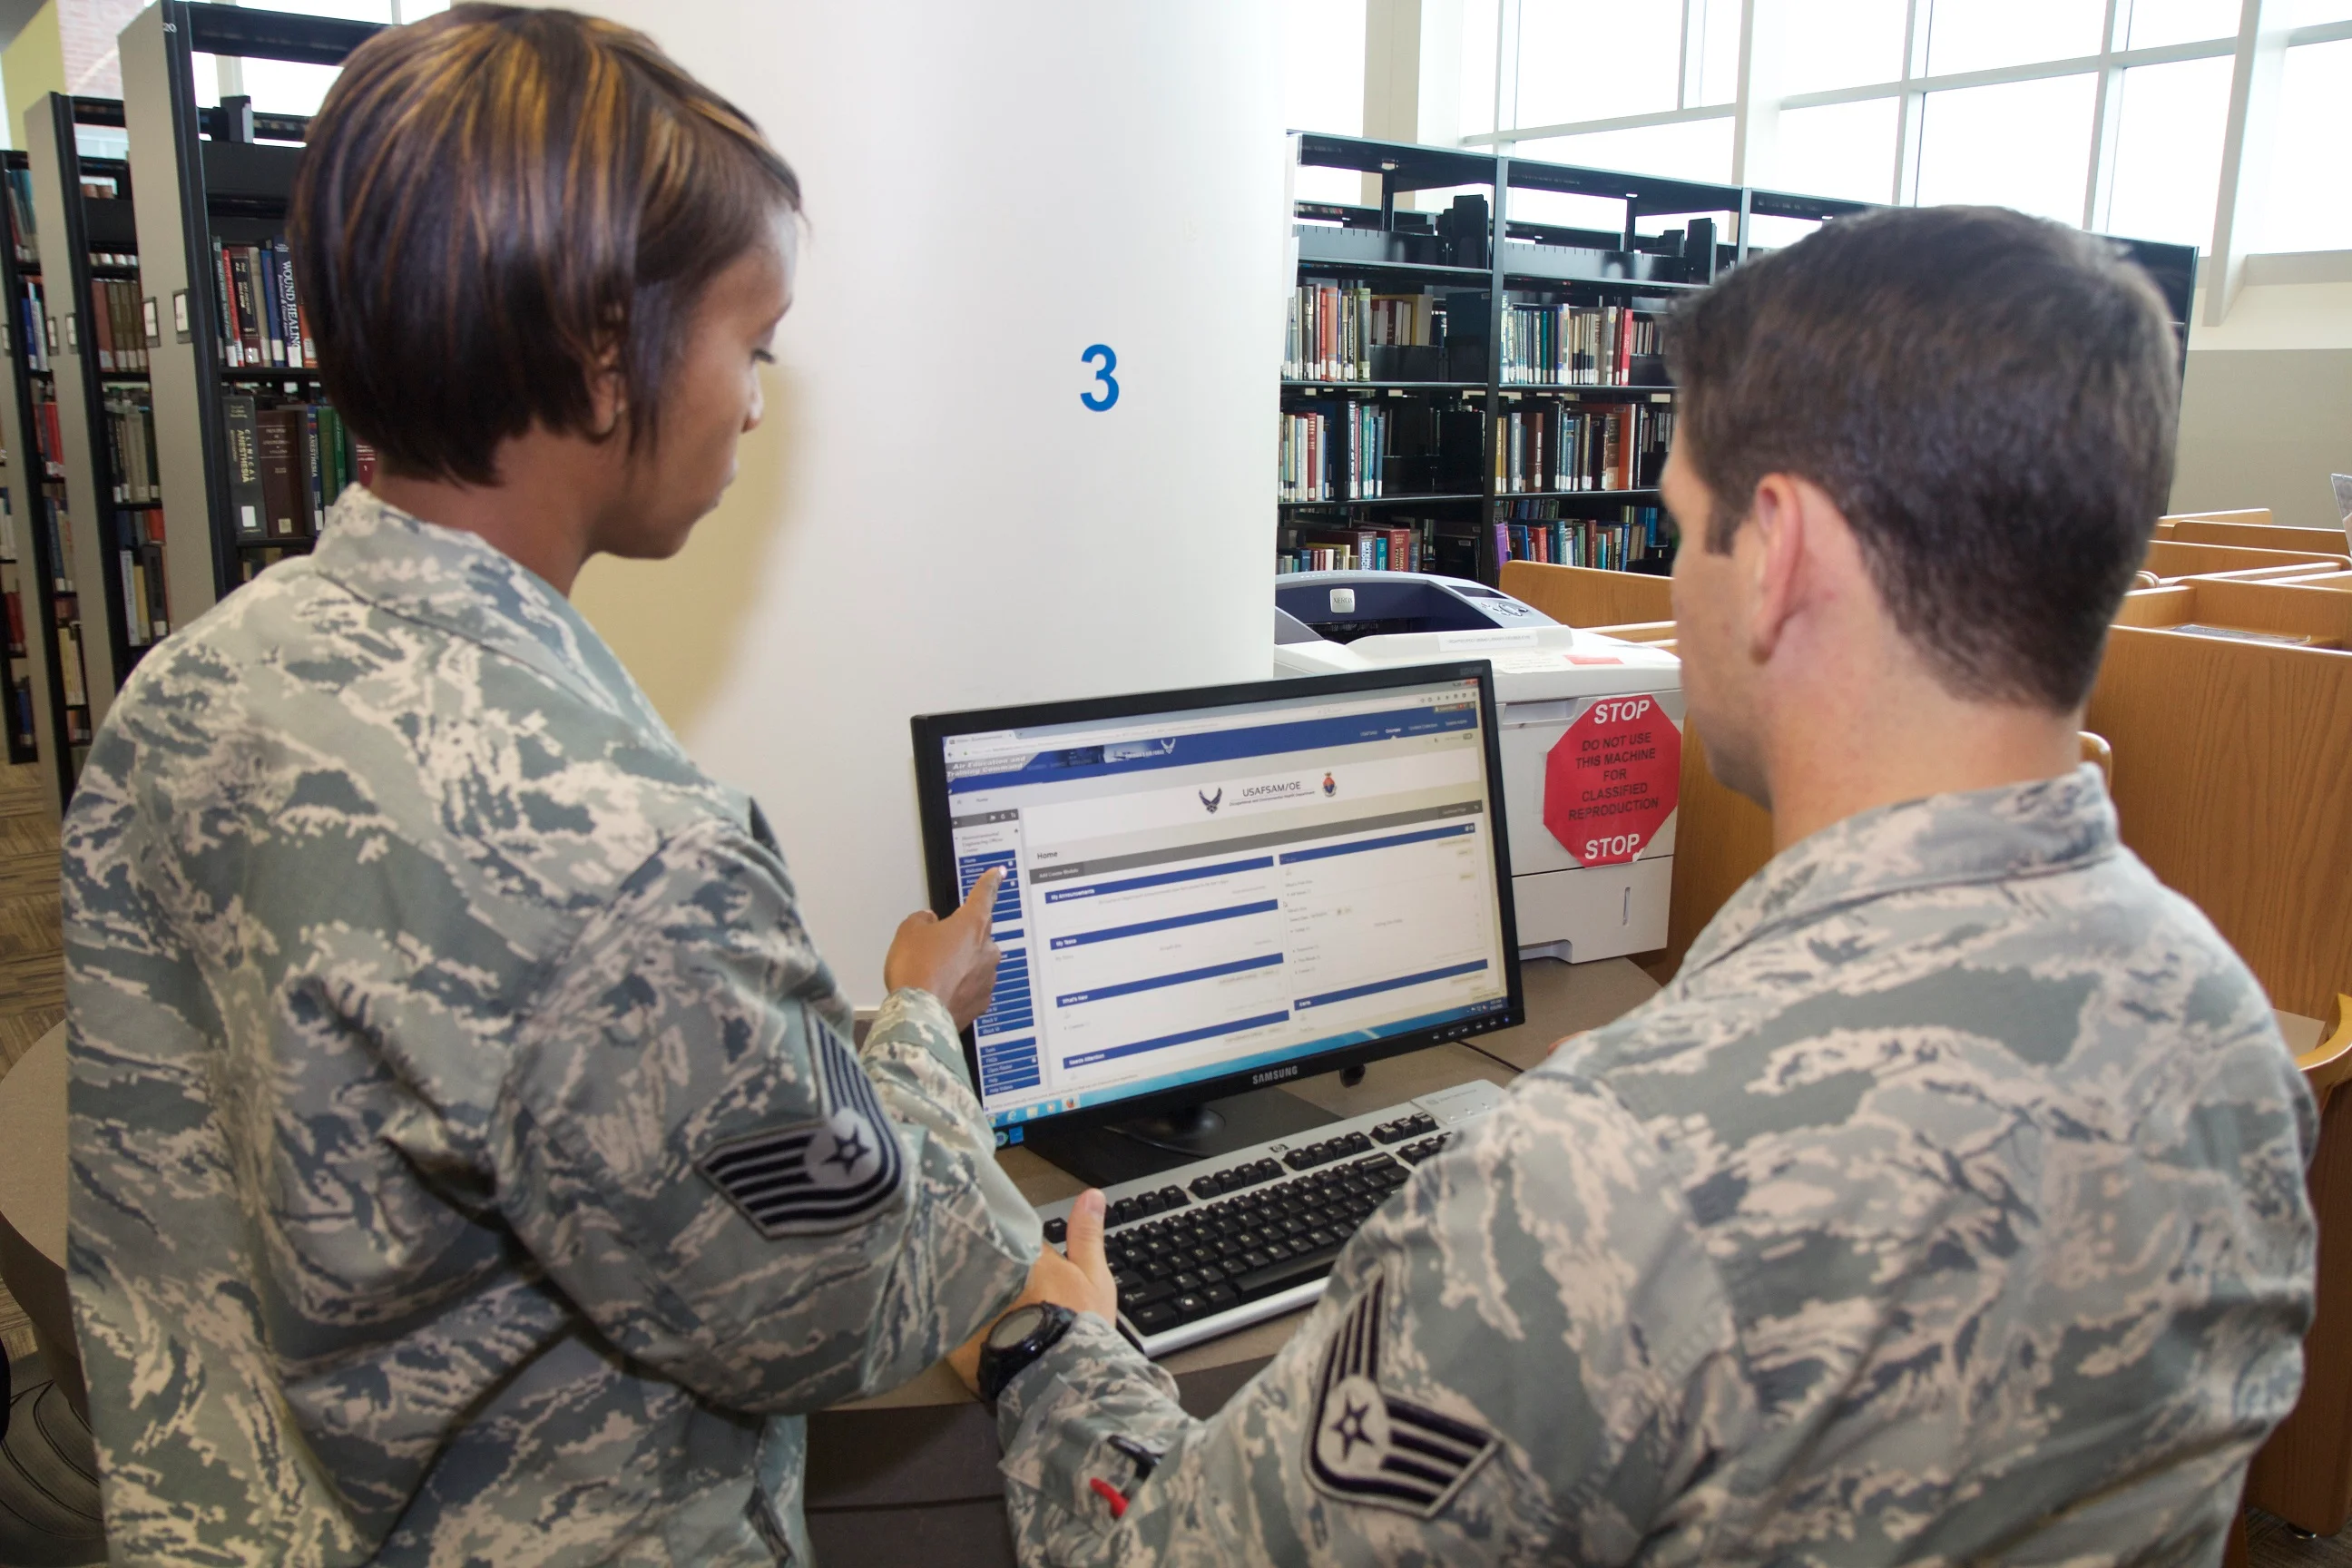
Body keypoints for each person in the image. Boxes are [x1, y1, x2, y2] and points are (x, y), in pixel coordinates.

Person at [953, 206, 2318, 1564]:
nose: (1671, 594)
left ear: (1776, 555)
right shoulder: (2226, 1033)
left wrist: (1050, 1352)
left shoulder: (1595, 1180)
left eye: (1679, 530)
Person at [61, 8, 1035, 1563]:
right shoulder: (616, 845)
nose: (760, 402)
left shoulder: (189, 691)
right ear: (603, 350)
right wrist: (917, 1019)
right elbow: (866, 1295)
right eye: (753, 342)